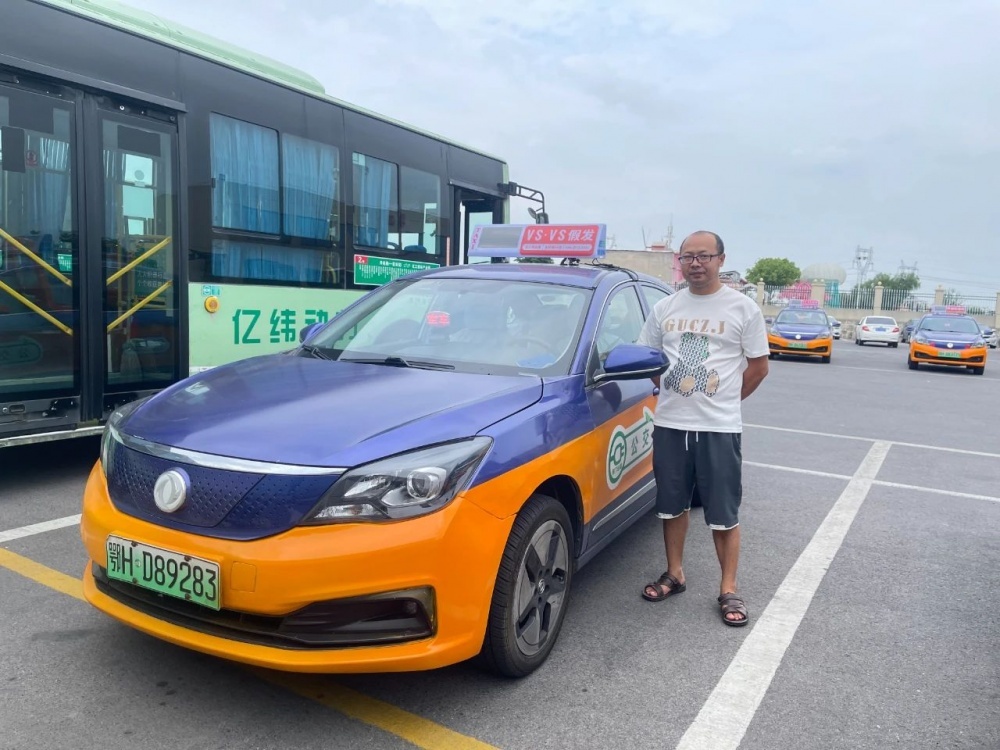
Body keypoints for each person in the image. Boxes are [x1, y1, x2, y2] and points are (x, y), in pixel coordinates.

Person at [636, 230, 769, 627]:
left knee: (723, 511)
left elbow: (759, 367)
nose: (695, 263)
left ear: (720, 260)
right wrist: (669, 390)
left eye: (704, 256)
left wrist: (725, 401)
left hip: (719, 428)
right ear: (680, 261)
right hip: (670, 424)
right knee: (671, 504)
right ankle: (674, 573)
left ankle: (729, 588)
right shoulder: (666, 307)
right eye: (688, 256)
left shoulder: (743, 308)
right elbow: (649, 358)